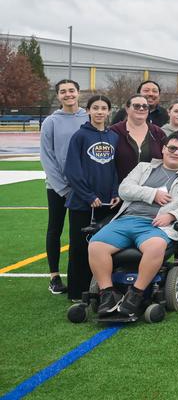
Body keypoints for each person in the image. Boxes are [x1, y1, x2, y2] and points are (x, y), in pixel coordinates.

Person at [88, 131, 178, 319]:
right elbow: (124, 190)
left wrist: (173, 215)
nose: (176, 152)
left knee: (156, 247)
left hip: (157, 225)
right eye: (172, 148)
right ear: (164, 149)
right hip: (127, 220)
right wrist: (152, 194)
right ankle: (108, 293)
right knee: (96, 245)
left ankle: (136, 294)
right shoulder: (143, 168)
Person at [63, 94, 120, 301]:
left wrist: (115, 193)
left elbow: (115, 169)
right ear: (88, 111)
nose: (99, 112)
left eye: (103, 108)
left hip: (107, 204)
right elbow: (72, 170)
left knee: (104, 247)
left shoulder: (113, 136)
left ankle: (101, 288)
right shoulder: (80, 136)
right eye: (95, 108)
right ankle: (77, 292)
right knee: (79, 247)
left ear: (108, 111)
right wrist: (88, 195)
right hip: (83, 204)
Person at [40, 78, 88, 295]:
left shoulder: (88, 117)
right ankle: (54, 276)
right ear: (58, 96)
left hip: (84, 187)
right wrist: (63, 187)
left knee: (81, 232)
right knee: (55, 229)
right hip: (58, 187)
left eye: (71, 90)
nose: (68, 94)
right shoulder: (51, 121)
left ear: (78, 93)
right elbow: (47, 156)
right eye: (63, 92)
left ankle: (83, 274)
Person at [110, 94, 167, 184]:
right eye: (136, 106)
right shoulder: (114, 132)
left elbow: (166, 161)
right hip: (120, 191)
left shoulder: (158, 133)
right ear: (127, 109)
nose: (141, 109)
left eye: (145, 106)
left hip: (150, 192)